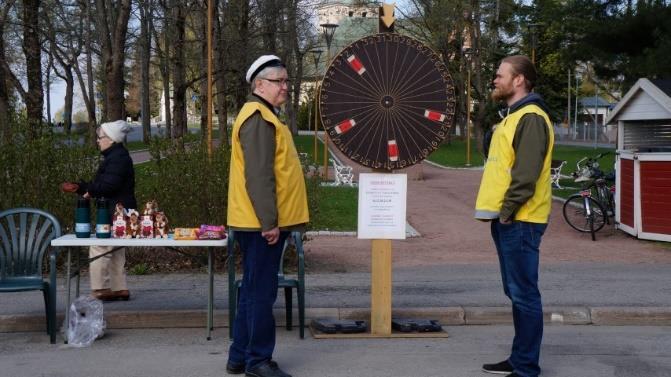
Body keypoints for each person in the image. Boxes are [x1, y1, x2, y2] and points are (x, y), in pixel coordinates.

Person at [226, 55, 309, 377]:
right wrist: (269, 223)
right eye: (279, 82)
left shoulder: (265, 115)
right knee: (261, 293)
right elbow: (259, 176)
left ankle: (239, 356)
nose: (285, 87)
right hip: (261, 223)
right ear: (259, 84)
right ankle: (258, 361)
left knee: (251, 290)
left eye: (287, 81)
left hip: (255, 221)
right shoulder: (259, 118)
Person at [474, 55, 554, 377]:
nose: (495, 79)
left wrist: (507, 213)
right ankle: (520, 358)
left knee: (524, 294)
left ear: (518, 79)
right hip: (508, 219)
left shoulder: (531, 117)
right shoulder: (512, 117)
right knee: (516, 292)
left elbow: (526, 175)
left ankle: (526, 367)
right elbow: (497, 161)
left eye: (499, 75)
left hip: (520, 219)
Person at [61, 120, 136, 301]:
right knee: (116, 248)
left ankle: (101, 289)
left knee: (99, 245)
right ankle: (119, 288)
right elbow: (102, 185)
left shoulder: (117, 158)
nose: (98, 141)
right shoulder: (117, 157)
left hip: (115, 211)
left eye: (100, 137)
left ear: (111, 139)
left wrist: (87, 190)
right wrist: (82, 188)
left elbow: (108, 185)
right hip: (121, 209)